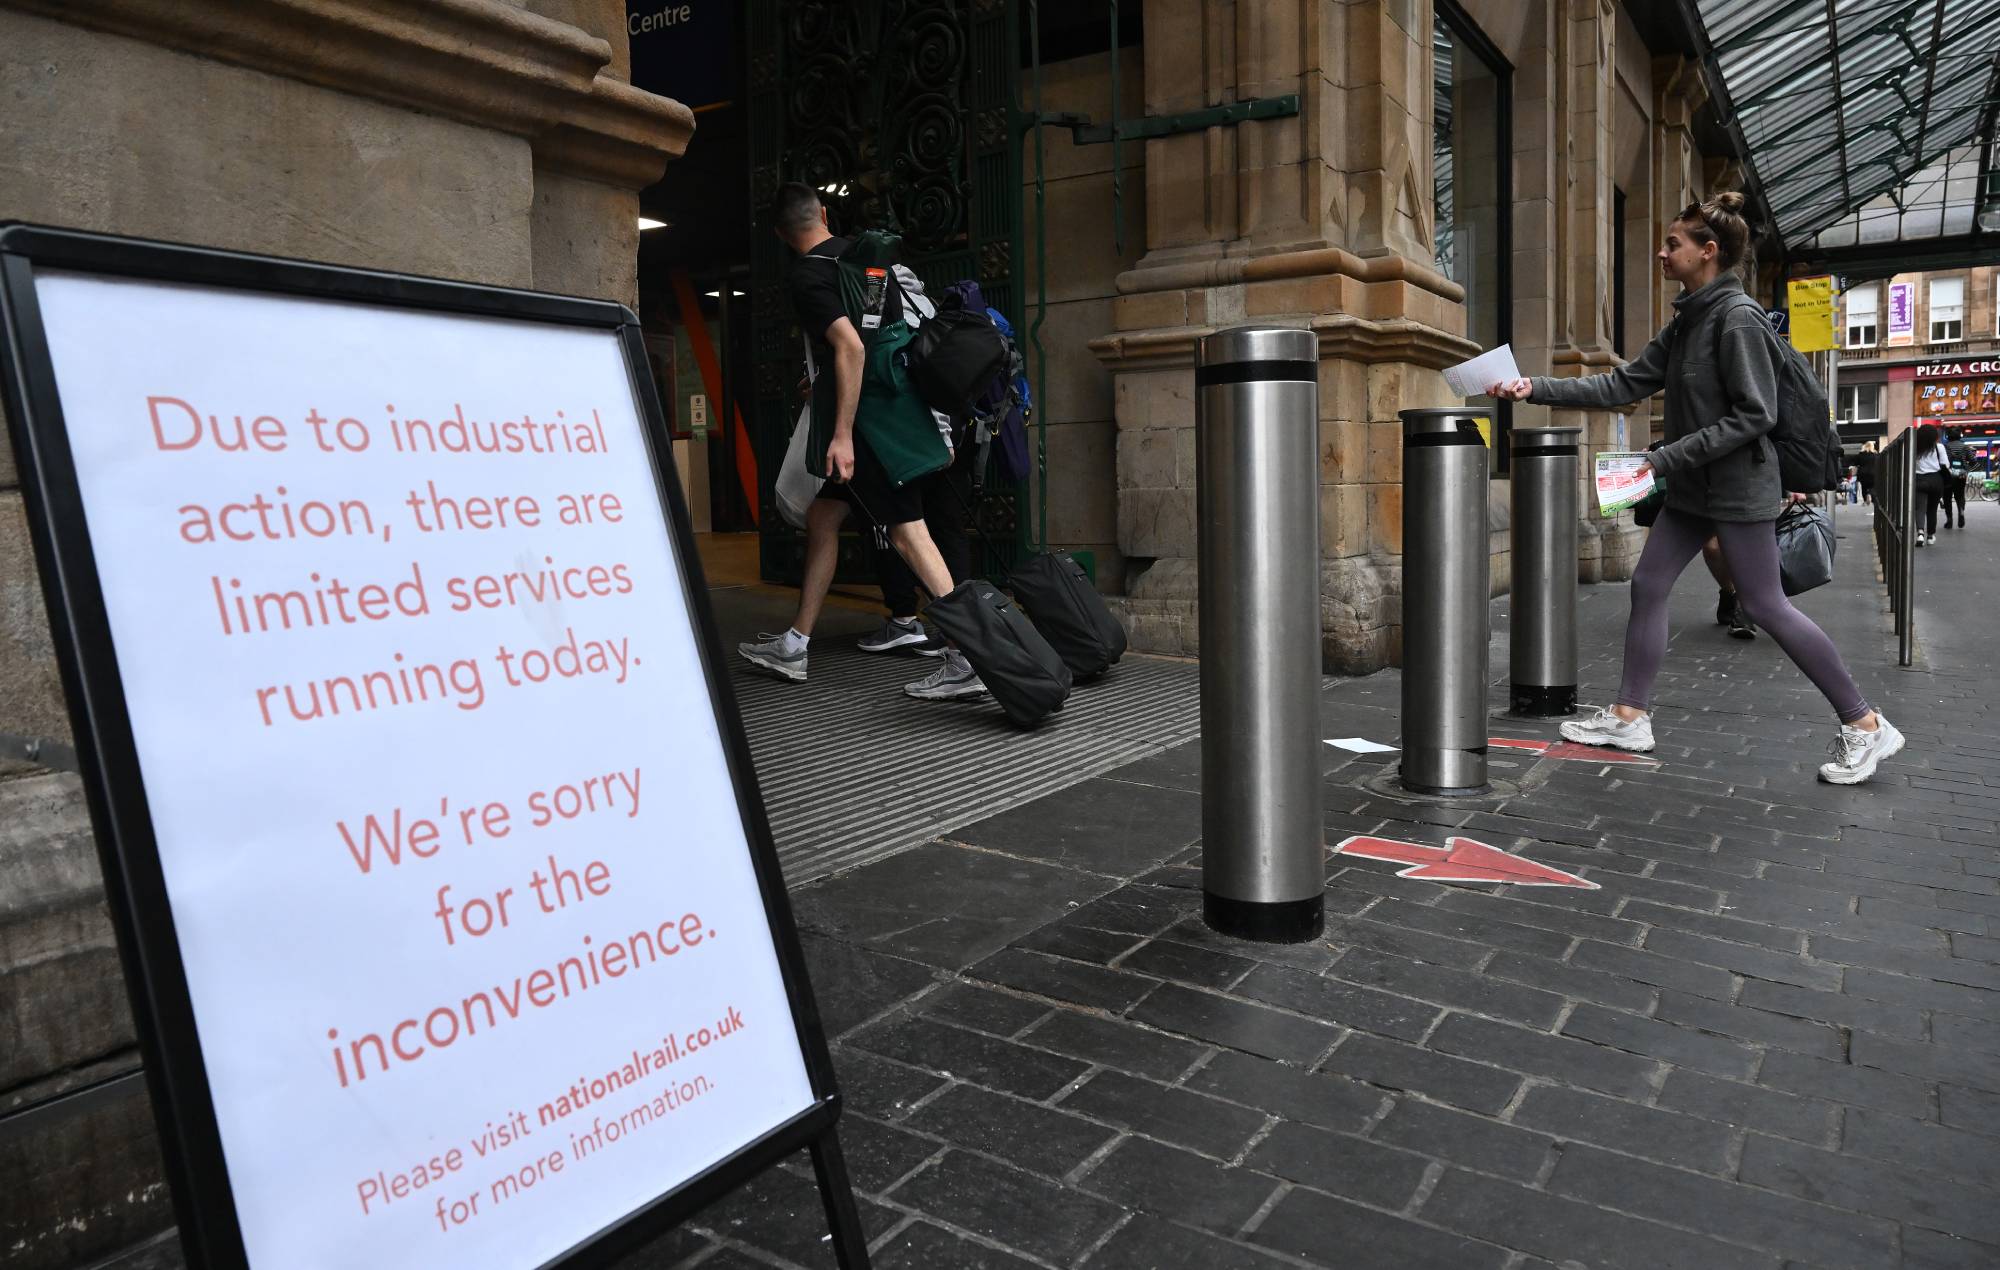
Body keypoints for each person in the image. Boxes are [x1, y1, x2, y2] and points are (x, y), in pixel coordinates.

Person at [1490, 192, 1904, 785]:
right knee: (1649, 582)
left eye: (1673, 245)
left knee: (1765, 605)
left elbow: (1754, 415)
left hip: (1737, 488)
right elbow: (1623, 383)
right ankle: (1631, 716)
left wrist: (1662, 460)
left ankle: (1864, 724)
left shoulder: (1735, 319)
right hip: (1692, 489)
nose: (1661, 253)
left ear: (1708, 252)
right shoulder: (1688, 318)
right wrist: (1533, 388)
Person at [738, 182, 986, 700]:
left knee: (907, 532)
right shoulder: (870, 260)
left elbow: (850, 346)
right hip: (893, 406)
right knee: (824, 518)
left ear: (783, 235)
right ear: (825, 213)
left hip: (868, 426)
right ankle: (795, 644)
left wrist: (843, 434)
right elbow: (882, 336)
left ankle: (969, 656)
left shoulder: (808, 275)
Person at [1913, 422, 1950, 546]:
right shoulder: (1939, 447)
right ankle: (1930, 536)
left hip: (1919, 480)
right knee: (1932, 509)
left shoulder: (1914, 447)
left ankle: (1920, 533)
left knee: (1919, 508)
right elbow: (1945, 465)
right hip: (1936, 480)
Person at [1943, 425, 1971, 529]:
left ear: (1948, 436)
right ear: (1959, 435)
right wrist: (1966, 469)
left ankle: (1949, 520)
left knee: (1947, 498)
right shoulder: (1965, 447)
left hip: (1948, 476)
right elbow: (1973, 461)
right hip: (1961, 475)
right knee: (1960, 496)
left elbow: (1942, 462)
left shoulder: (1945, 447)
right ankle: (1961, 512)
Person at [1855, 440, 1877, 505]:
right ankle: (1871, 496)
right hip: (1873, 474)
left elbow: (1856, 463)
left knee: (1864, 487)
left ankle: (1865, 500)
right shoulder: (1875, 455)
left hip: (1863, 474)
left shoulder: (1860, 454)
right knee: (1873, 486)